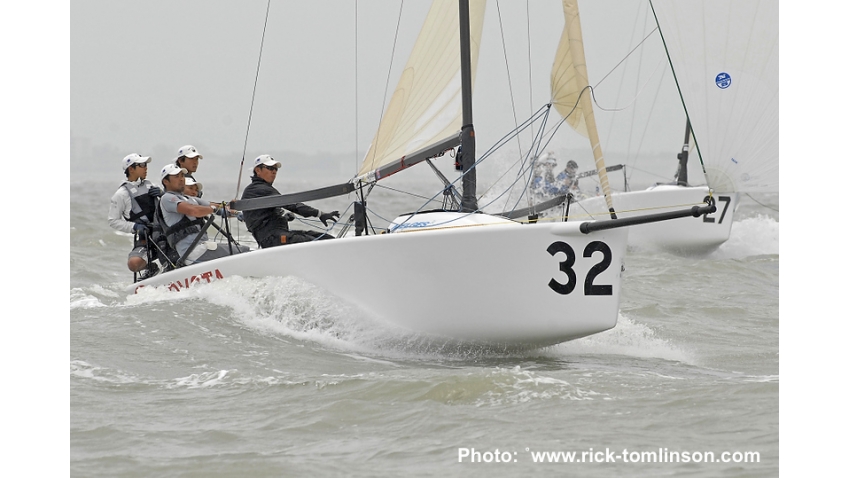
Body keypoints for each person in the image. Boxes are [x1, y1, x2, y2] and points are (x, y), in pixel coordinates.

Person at [240, 154, 340, 248]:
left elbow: (262, 216)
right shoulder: (258, 189)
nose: (274, 171)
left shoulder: (263, 189)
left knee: (325, 238)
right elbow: (290, 204)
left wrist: (284, 218)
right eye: (270, 168)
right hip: (271, 239)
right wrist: (319, 214)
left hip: (277, 234)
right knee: (316, 242)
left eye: (275, 169)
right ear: (258, 170)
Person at [159, 163, 249, 265]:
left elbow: (218, 206)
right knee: (244, 252)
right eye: (176, 176)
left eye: (182, 176)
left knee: (243, 249)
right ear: (166, 181)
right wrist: (214, 209)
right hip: (192, 252)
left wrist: (237, 212)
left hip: (203, 247)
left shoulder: (189, 198)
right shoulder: (167, 198)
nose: (181, 179)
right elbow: (194, 211)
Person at [108, 153, 162, 274]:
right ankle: (151, 268)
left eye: (146, 164)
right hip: (146, 238)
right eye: (142, 165)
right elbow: (113, 221)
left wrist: (163, 194)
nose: (146, 167)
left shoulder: (152, 186)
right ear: (131, 169)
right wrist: (134, 227)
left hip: (164, 231)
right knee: (133, 264)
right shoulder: (121, 194)